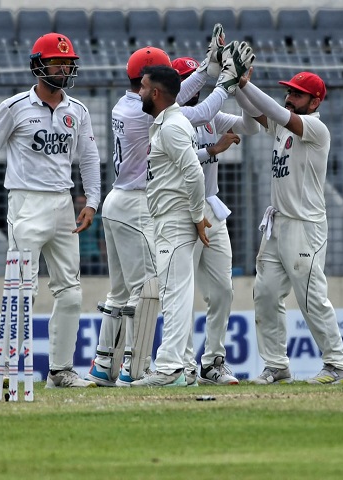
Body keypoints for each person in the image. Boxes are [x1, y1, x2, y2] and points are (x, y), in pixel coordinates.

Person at [86, 26, 233, 388]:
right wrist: (224, 83)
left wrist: (206, 63)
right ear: (150, 85)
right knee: (149, 291)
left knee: (119, 290)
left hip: (117, 200)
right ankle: (139, 369)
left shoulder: (128, 104)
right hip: (140, 202)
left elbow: (177, 95)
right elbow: (193, 112)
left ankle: (103, 365)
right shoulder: (150, 114)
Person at [0, 32, 101, 388]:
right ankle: (9, 373)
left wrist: (93, 201)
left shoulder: (78, 111)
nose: (65, 68)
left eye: (68, 62)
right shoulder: (14, 107)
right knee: (22, 290)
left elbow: (90, 158)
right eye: (57, 61)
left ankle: (61, 371)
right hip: (26, 203)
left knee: (71, 291)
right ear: (39, 66)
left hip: (63, 205)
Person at [237, 66, 343, 385]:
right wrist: (232, 84)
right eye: (288, 92)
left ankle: (337, 364)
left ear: (315, 102)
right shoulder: (282, 122)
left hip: (306, 226)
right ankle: (276, 366)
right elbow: (257, 111)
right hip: (278, 224)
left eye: (297, 94)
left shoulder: (316, 129)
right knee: (265, 293)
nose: (289, 97)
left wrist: (245, 82)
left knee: (310, 297)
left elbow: (273, 109)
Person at [171, 56, 260, 386]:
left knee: (222, 289)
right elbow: (184, 162)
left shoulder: (208, 116)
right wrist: (215, 150)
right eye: (183, 80)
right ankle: (183, 363)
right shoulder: (172, 117)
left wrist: (241, 89)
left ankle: (212, 362)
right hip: (181, 210)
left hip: (211, 208)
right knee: (183, 291)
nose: (191, 88)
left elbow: (251, 126)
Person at [130, 65, 210, 387]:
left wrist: (196, 216)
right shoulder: (169, 123)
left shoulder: (172, 127)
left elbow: (195, 174)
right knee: (174, 292)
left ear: (156, 93)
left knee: (173, 294)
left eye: (143, 87)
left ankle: (169, 369)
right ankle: (182, 367)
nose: (139, 92)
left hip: (175, 220)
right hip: (169, 219)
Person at [74, 194, 106, 275]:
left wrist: (104, 257)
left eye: (83, 203)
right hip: (76, 255)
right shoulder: (71, 219)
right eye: (78, 203)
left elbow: (101, 239)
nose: (80, 205)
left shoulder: (96, 219)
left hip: (93, 255)